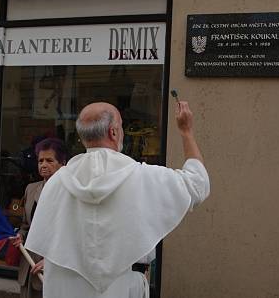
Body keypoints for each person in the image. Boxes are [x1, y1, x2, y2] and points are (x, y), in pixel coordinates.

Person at [25, 101, 209, 298]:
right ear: (113, 132)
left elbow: (52, 242)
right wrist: (186, 132)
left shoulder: (56, 183)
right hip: (120, 286)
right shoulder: (141, 176)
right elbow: (197, 184)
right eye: (121, 126)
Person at [10, 138, 68, 298]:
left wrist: (52, 262)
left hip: (55, 270)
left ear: (63, 163)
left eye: (49, 160)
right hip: (28, 265)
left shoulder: (70, 192)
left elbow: (71, 235)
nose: (43, 165)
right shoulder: (31, 189)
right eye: (40, 160)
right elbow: (26, 225)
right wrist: (20, 235)